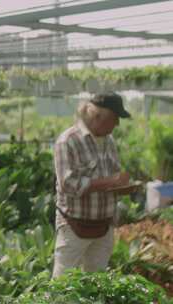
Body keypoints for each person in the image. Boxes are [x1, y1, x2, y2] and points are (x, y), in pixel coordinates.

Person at [52, 92, 133, 278]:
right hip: (74, 226)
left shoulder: (108, 141)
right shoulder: (68, 141)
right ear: (98, 116)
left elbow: (113, 175)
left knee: (97, 281)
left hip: (104, 226)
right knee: (62, 283)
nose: (117, 125)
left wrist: (123, 185)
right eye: (115, 119)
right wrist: (110, 181)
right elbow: (68, 183)